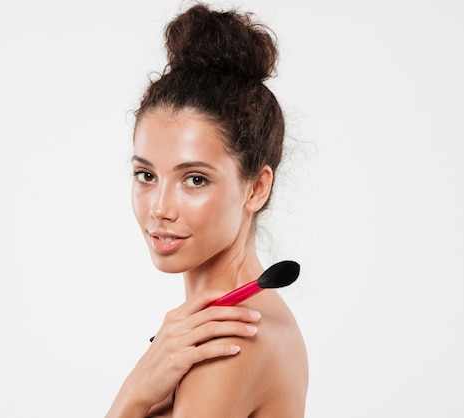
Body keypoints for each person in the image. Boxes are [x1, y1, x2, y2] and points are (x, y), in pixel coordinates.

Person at [106, 3, 308, 417]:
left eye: (194, 179)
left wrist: (133, 395)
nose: (160, 208)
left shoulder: (230, 343)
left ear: (256, 188)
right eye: (146, 175)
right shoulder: (248, 321)